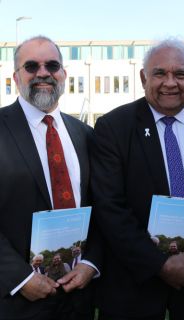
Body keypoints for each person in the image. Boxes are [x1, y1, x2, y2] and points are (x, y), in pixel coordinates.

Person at [83, 38, 184, 320]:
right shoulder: (113, 127)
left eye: (180, 74)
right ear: (144, 77)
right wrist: (159, 264)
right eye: (160, 73)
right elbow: (110, 206)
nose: (170, 82)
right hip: (134, 286)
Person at [0, 35, 96, 320]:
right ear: (16, 78)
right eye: (31, 66)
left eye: (52, 65)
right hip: (15, 299)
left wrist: (90, 263)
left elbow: (103, 208)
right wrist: (19, 278)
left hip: (78, 296)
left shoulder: (86, 135)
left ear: (63, 75)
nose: (43, 73)